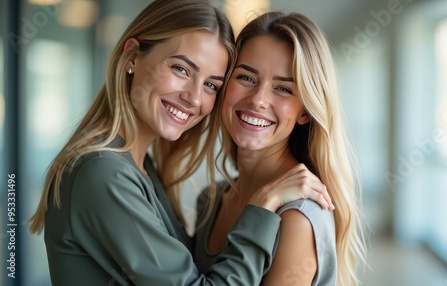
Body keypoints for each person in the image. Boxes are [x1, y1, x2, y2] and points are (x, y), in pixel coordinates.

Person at [28, 1, 334, 285]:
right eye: (181, 69)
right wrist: (263, 206)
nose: (194, 97)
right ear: (132, 57)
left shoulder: (142, 168)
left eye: (211, 84)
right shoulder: (104, 173)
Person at [193, 11, 366, 286]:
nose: (258, 100)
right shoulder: (210, 200)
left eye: (283, 89)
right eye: (246, 78)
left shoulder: (297, 219)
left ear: (305, 112)